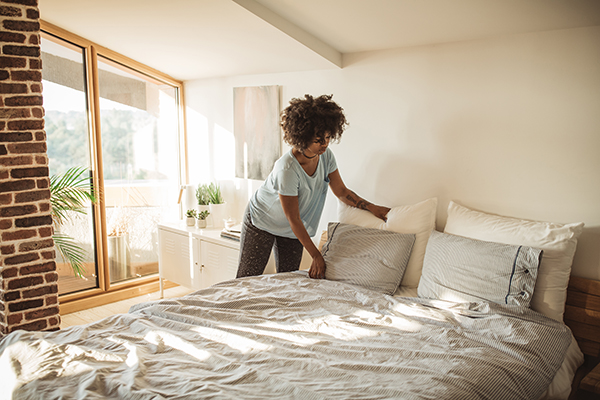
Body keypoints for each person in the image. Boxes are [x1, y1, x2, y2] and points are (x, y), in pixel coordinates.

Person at [236, 94, 390, 280]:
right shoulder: (287, 169)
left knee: (289, 281)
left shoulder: (326, 156)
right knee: (246, 280)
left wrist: (373, 208)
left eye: (327, 137)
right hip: (262, 221)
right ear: (302, 137)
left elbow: (341, 192)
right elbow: (293, 218)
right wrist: (316, 256)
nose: (324, 144)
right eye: (318, 140)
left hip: (292, 228)